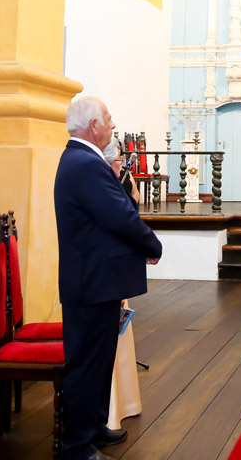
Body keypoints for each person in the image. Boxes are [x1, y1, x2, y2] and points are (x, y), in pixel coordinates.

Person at [54, 96, 162, 458]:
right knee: (87, 365)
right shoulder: (85, 163)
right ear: (94, 125)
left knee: (99, 361)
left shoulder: (82, 160)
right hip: (92, 282)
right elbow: (119, 216)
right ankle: (76, 446)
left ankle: (94, 427)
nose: (113, 125)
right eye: (109, 119)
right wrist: (152, 244)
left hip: (95, 280)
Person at [106, 144, 141, 431]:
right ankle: (110, 410)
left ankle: (125, 403)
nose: (122, 163)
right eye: (119, 159)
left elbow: (134, 208)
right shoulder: (102, 183)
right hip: (107, 271)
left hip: (117, 267)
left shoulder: (122, 180)